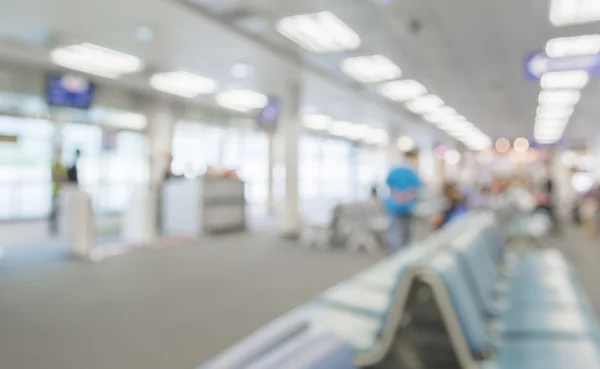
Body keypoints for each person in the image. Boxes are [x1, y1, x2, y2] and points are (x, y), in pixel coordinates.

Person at [385, 150, 422, 251]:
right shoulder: (412, 173)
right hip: (405, 205)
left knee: (396, 230)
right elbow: (415, 190)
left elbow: (391, 187)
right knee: (404, 230)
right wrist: (406, 196)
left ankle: (396, 251)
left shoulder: (395, 171)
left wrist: (399, 196)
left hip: (397, 205)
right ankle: (402, 252)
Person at [50, 150, 67, 234]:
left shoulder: (62, 167)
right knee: (54, 211)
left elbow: (64, 179)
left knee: (59, 211)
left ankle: (57, 227)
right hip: (54, 192)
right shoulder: (54, 166)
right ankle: (53, 227)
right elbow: (54, 179)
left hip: (62, 192)